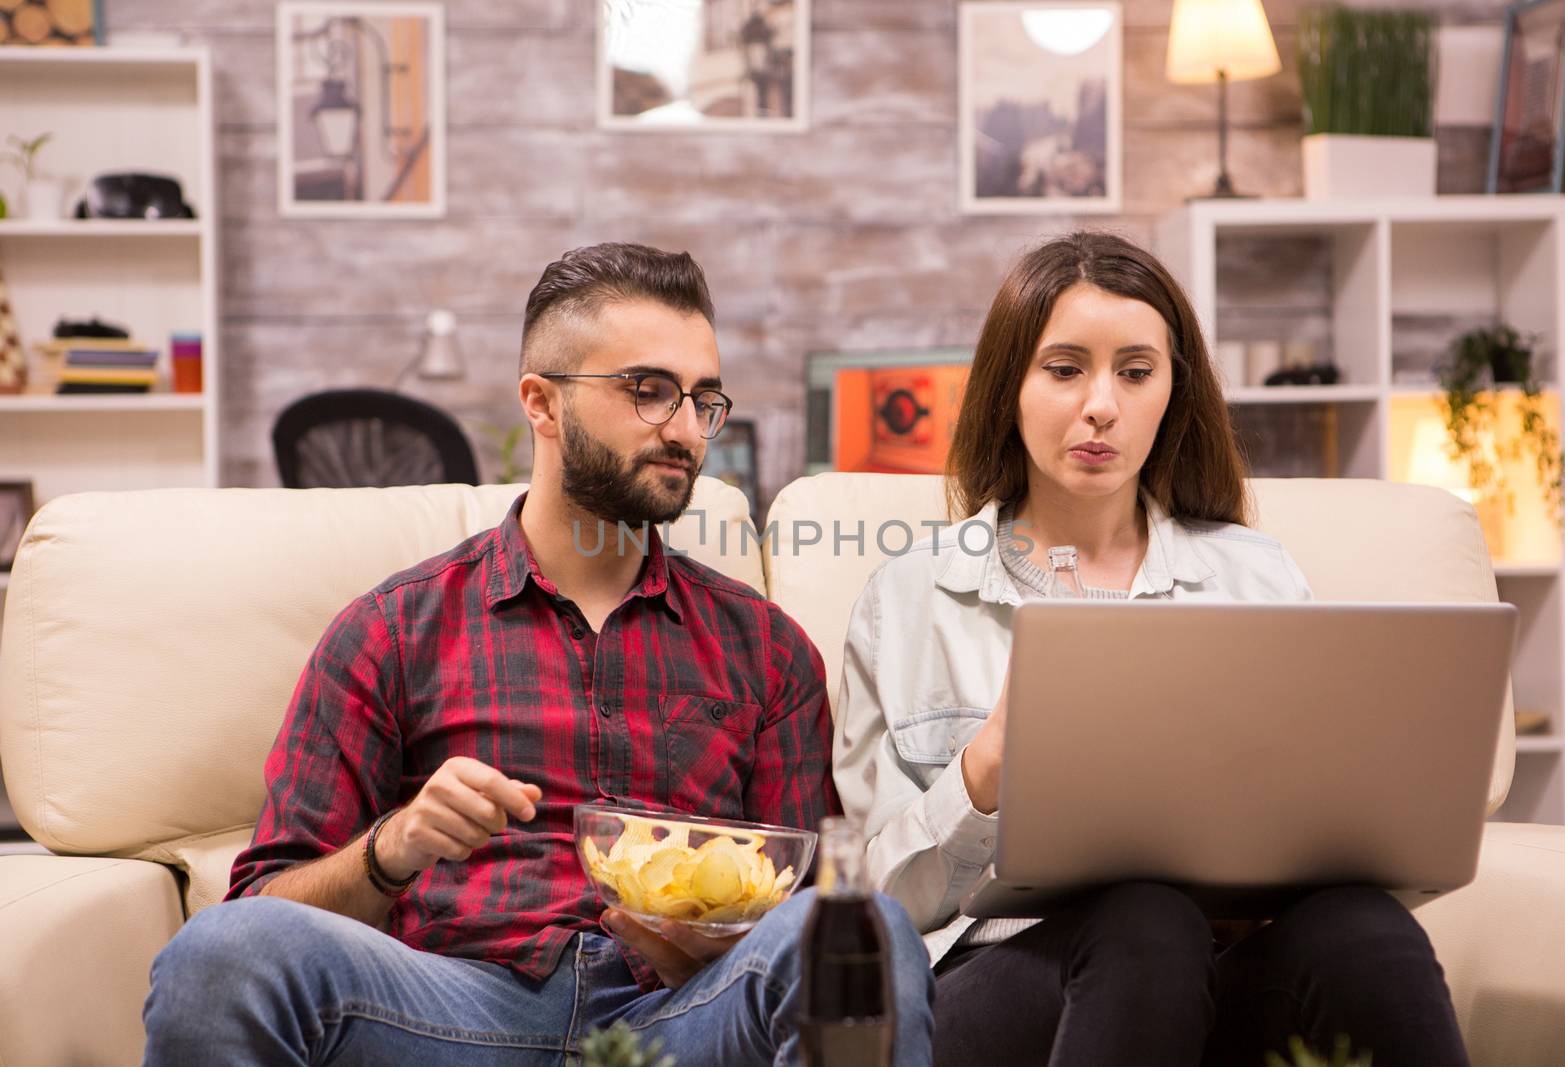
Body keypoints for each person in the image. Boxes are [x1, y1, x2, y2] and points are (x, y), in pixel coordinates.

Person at [142, 243, 934, 1067]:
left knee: (862, 934)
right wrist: (394, 845)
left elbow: (799, 911)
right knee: (223, 951)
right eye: (650, 391)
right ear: (542, 403)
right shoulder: (394, 629)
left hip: (684, 1019)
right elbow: (267, 901)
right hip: (450, 1012)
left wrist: (701, 945)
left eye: (704, 400)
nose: (688, 429)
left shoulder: (765, 651)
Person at [832, 231, 1470, 1066]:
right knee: (1143, 915)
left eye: (1135, 372)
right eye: (1065, 369)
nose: (1102, 405)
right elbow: (867, 899)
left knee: (1362, 927)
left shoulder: (1252, 575)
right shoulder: (912, 596)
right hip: (996, 977)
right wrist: (983, 772)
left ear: (1173, 388)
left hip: (1210, 964)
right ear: (1009, 388)